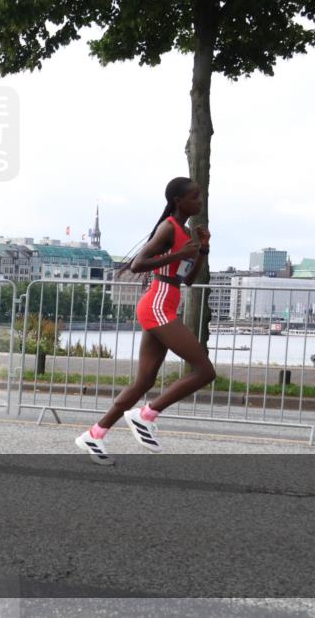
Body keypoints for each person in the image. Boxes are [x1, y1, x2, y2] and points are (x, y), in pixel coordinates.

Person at [74, 177, 216, 465]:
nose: (200, 201)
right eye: (195, 197)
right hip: (157, 305)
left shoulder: (184, 231)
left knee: (144, 381)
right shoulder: (168, 227)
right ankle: (146, 414)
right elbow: (138, 264)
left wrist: (202, 249)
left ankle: (95, 434)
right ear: (178, 201)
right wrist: (180, 253)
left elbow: (187, 279)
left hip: (165, 304)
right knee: (204, 370)